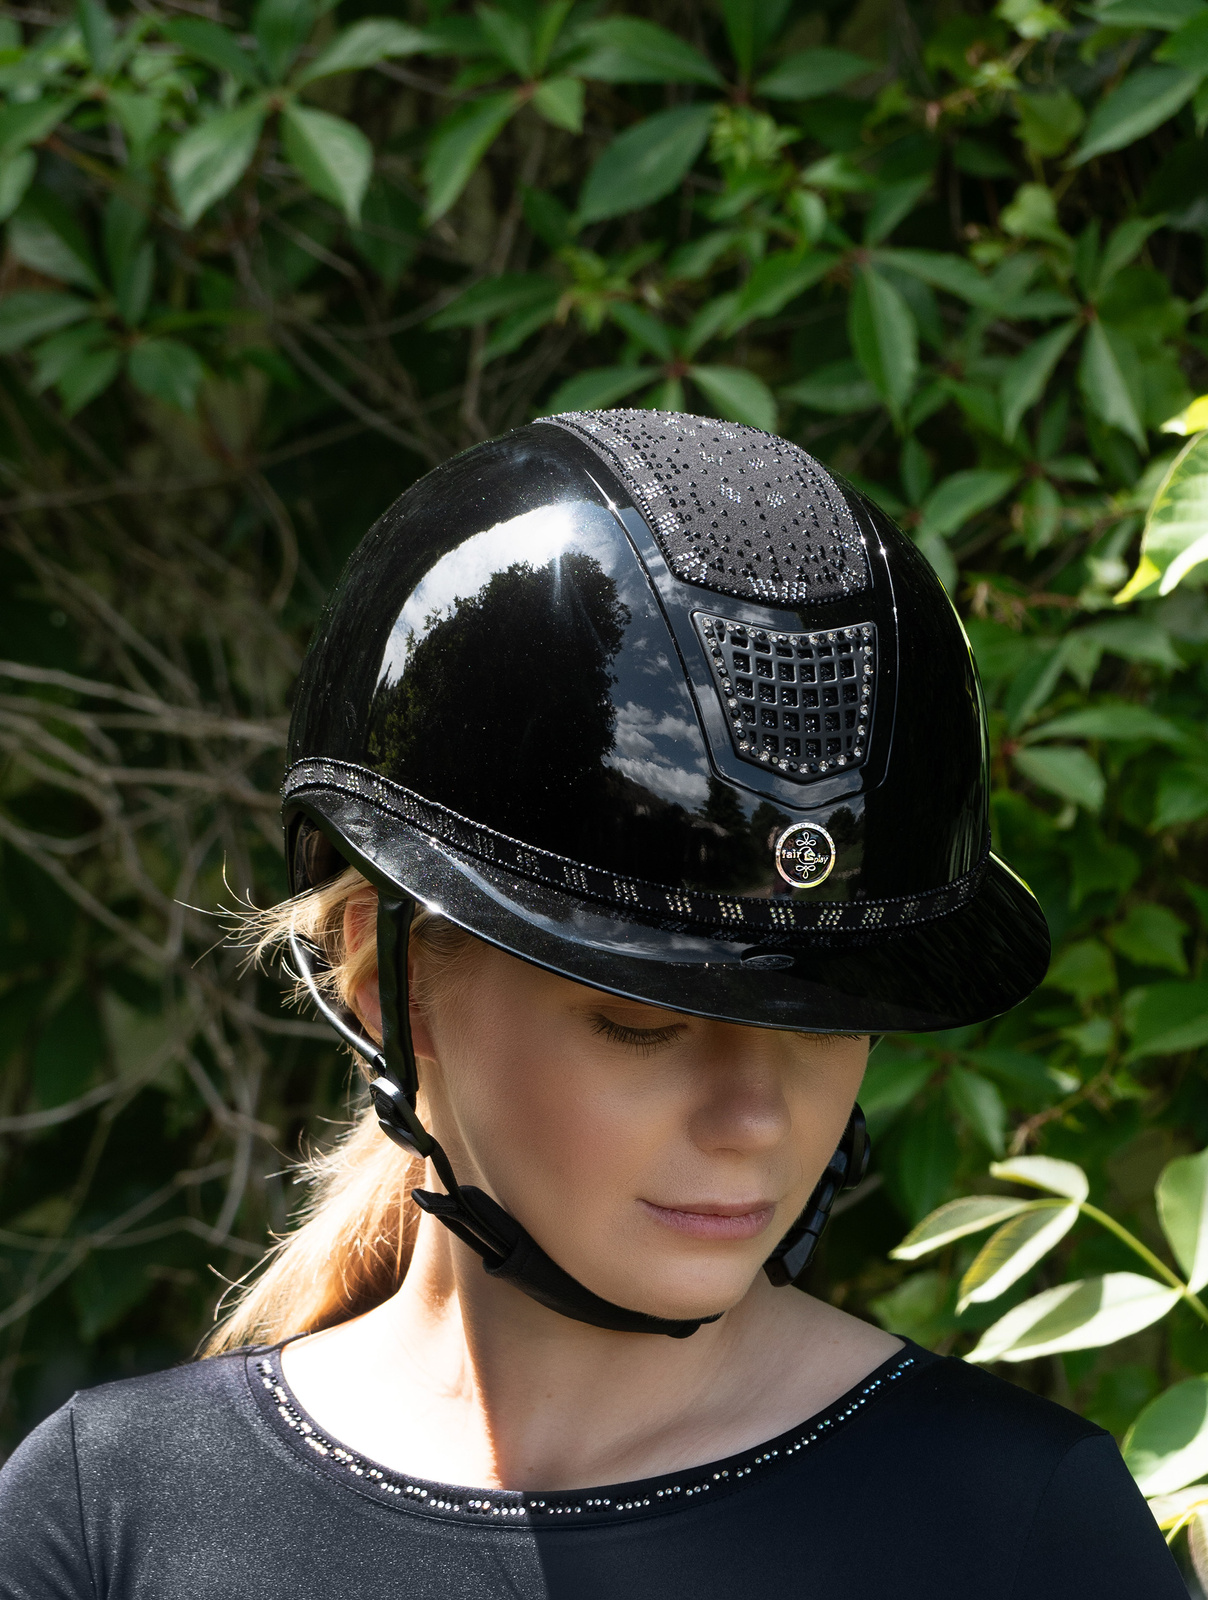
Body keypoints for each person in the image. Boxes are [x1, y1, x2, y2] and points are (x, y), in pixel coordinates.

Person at [0, 410, 1184, 1598]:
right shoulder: (102, 1519)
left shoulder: (1024, 1531)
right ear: (387, 981)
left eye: (822, 1020)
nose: (753, 1117)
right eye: (641, 1023)